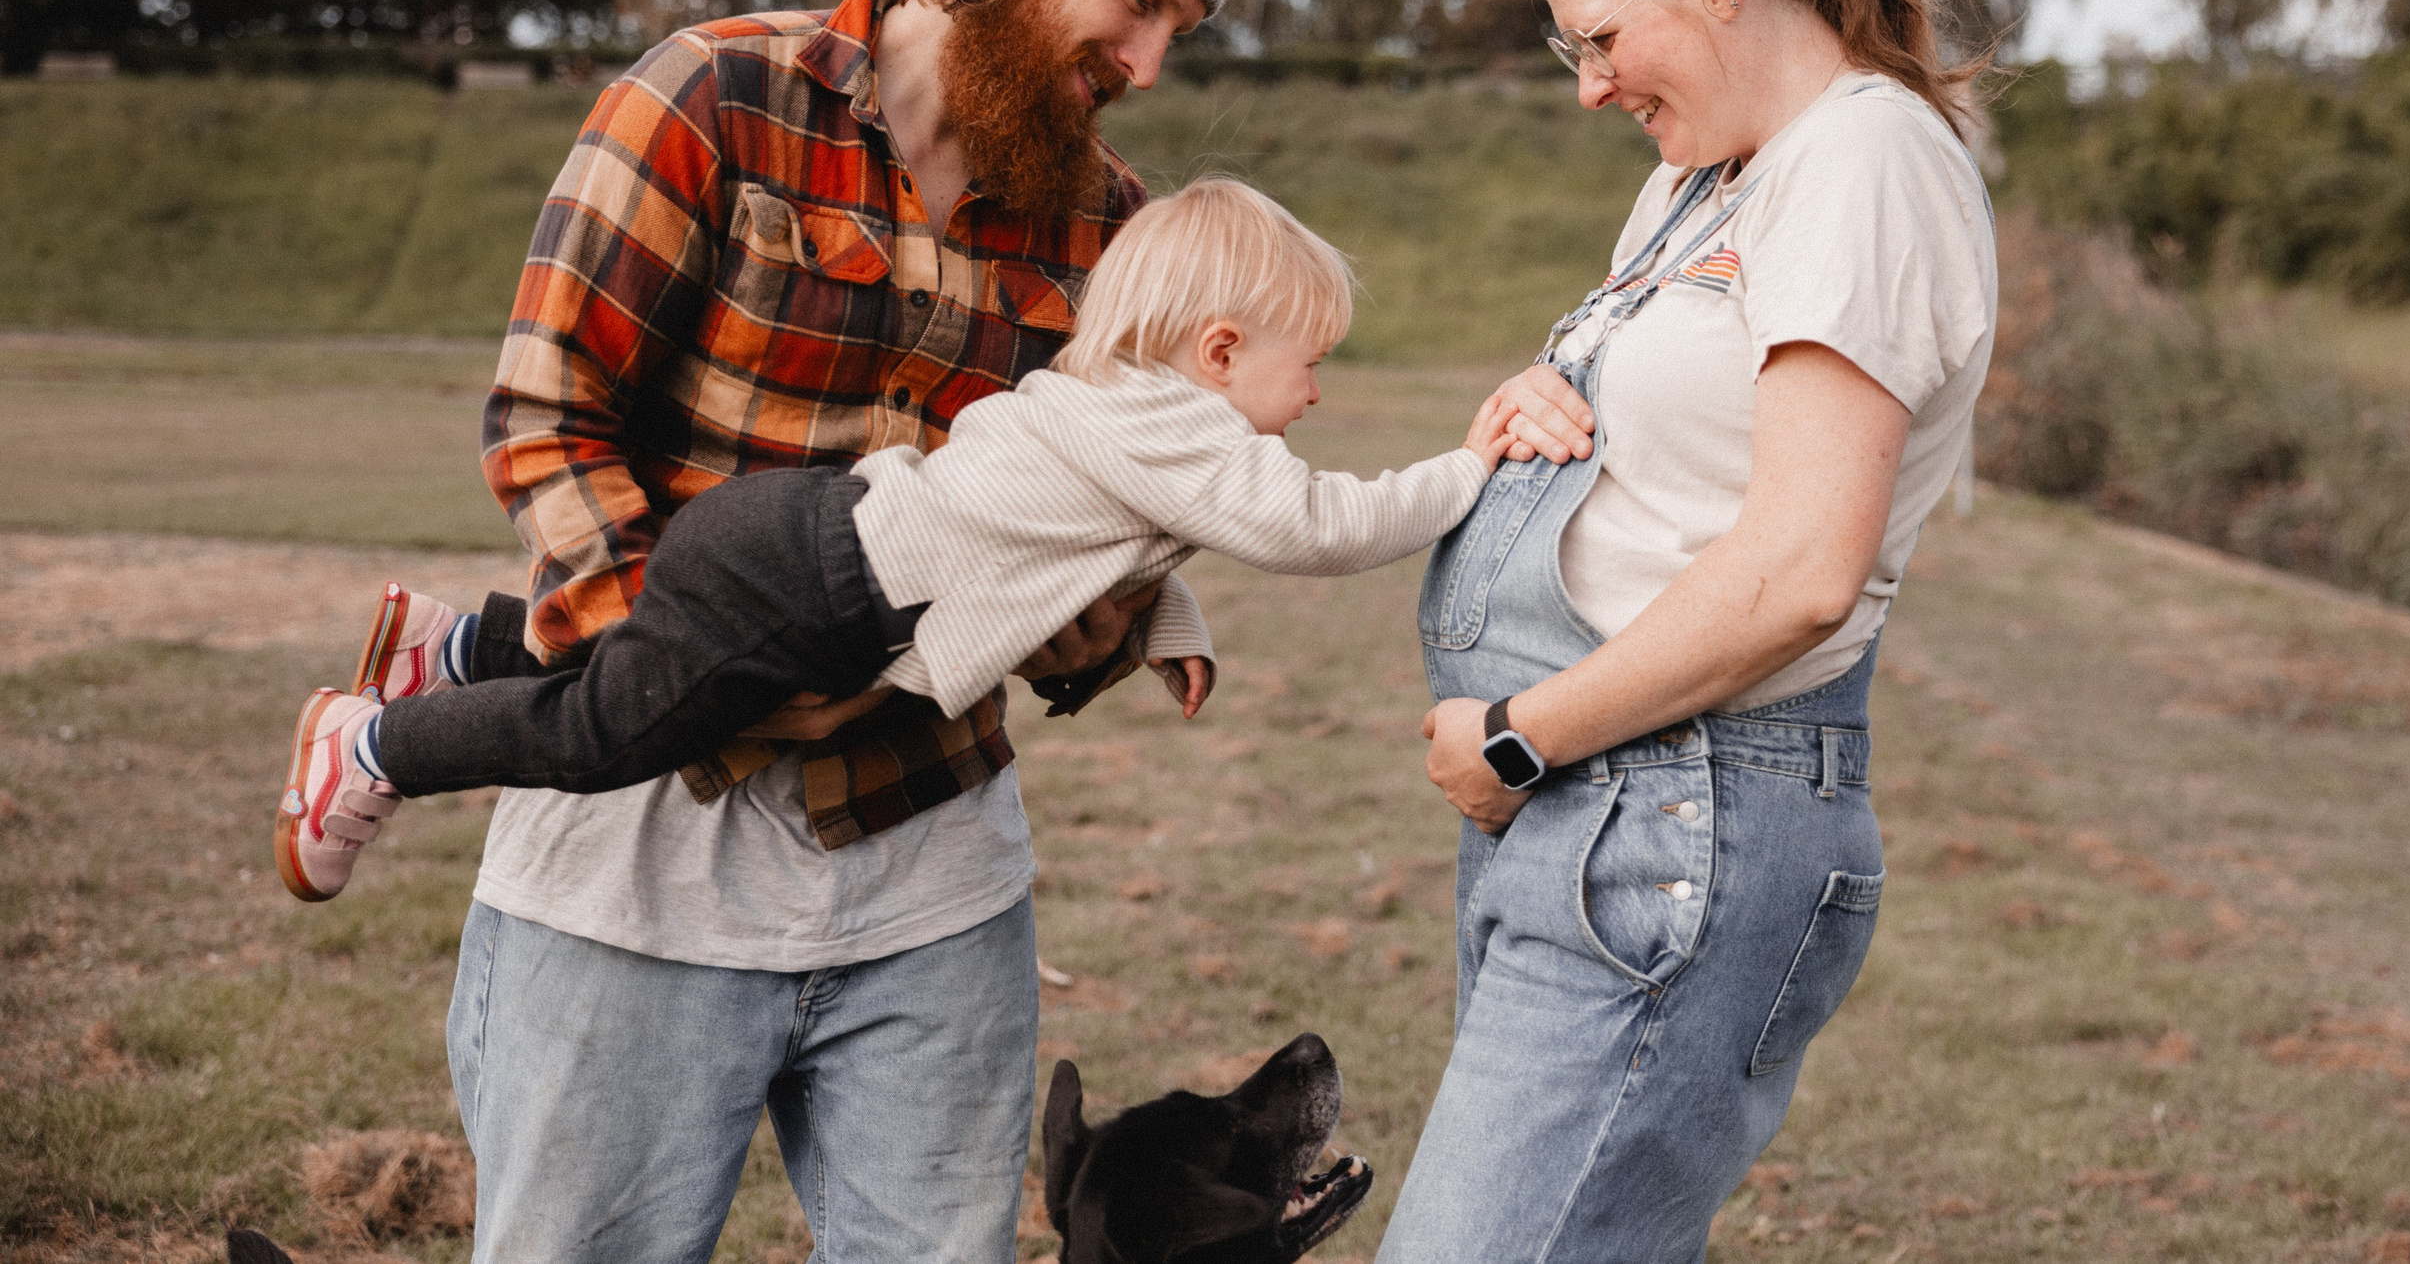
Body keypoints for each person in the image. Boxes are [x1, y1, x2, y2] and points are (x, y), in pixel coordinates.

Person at [294, 0, 1248, 1264]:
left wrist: (1110, 619)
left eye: (1179, 28)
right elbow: (548, 413)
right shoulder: (714, 95)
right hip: (639, 854)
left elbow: (1080, 528)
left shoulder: (1105, 225)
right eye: (1139, 5)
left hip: (933, 864)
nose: (1147, 64)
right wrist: (687, 669)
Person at [1378, 0, 1999, 1264]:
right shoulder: (1699, 180)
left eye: (1600, 39)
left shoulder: (1865, 159)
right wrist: (1543, 399)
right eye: (1567, 49)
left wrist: (1520, 734)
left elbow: (1798, 571)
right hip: (1597, 808)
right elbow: (1684, 448)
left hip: (1678, 808)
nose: (1589, 89)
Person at [275, 180, 1511, 898]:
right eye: (1314, 366)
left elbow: (1127, 534)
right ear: (1223, 353)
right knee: (614, 733)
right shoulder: (1186, 431)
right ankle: (372, 746)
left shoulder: (1128, 409)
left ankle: (463, 645)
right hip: (809, 586)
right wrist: (1472, 466)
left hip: (792, 534)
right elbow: (1317, 528)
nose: (1318, 396)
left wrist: (1167, 631)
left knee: (642, 668)